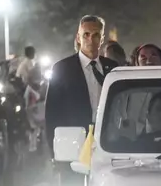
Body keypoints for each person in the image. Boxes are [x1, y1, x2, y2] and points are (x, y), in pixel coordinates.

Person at [45, 15, 118, 156]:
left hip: (108, 142)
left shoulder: (112, 67)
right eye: (86, 35)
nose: (91, 39)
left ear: (102, 39)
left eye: (96, 35)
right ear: (78, 38)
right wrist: (53, 151)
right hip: (73, 143)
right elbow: (52, 112)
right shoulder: (62, 69)